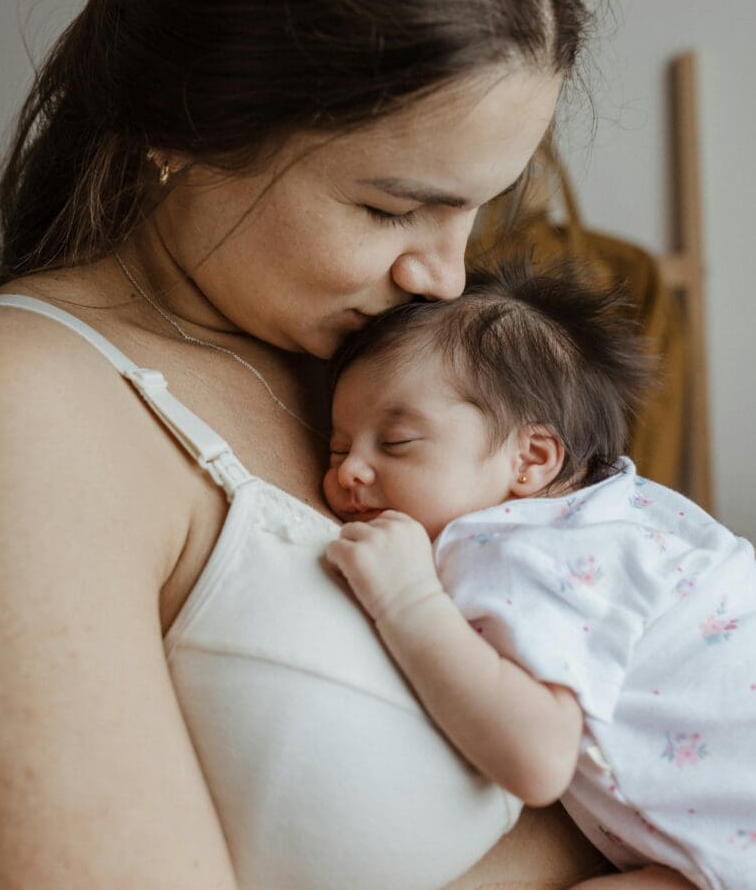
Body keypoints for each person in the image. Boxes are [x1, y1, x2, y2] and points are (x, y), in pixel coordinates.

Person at [0, 0, 660, 886]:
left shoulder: (390, 371)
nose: (445, 275)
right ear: (187, 120)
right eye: (389, 209)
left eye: (476, 209)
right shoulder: (18, 407)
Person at [324, 259, 756, 890]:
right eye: (337, 447)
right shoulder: (625, 509)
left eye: (396, 443)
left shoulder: (518, 545)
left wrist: (406, 599)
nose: (349, 472)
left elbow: (537, 759)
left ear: (529, 459)